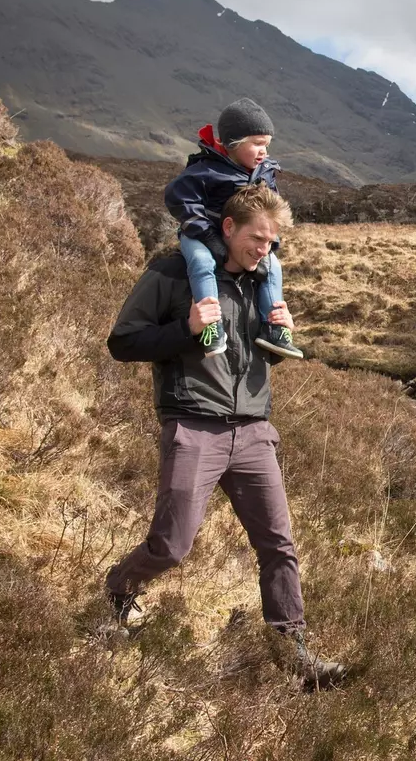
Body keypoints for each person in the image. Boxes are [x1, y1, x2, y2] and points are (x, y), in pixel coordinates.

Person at [103, 183, 344, 687]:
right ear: (229, 228)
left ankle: (292, 651)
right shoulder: (173, 272)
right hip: (194, 425)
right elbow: (122, 342)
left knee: (278, 543)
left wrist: (282, 335)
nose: (264, 250)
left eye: (272, 243)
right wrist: (186, 329)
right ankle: (120, 588)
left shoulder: (261, 283)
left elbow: (256, 353)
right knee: (171, 546)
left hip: (254, 430)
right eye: (257, 238)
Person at [164, 97, 302, 360]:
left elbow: (270, 210)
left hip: (241, 240)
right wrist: (206, 233)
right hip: (200, 236)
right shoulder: (206, 170)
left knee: (274, 267)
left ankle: (274, 328)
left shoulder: (265, 172)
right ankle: (210, 326)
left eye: (267, 145)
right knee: (203, 262)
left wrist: (270, 242)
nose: (264, 152)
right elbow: (177, 196)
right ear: (233, 143)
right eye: (257, 144)